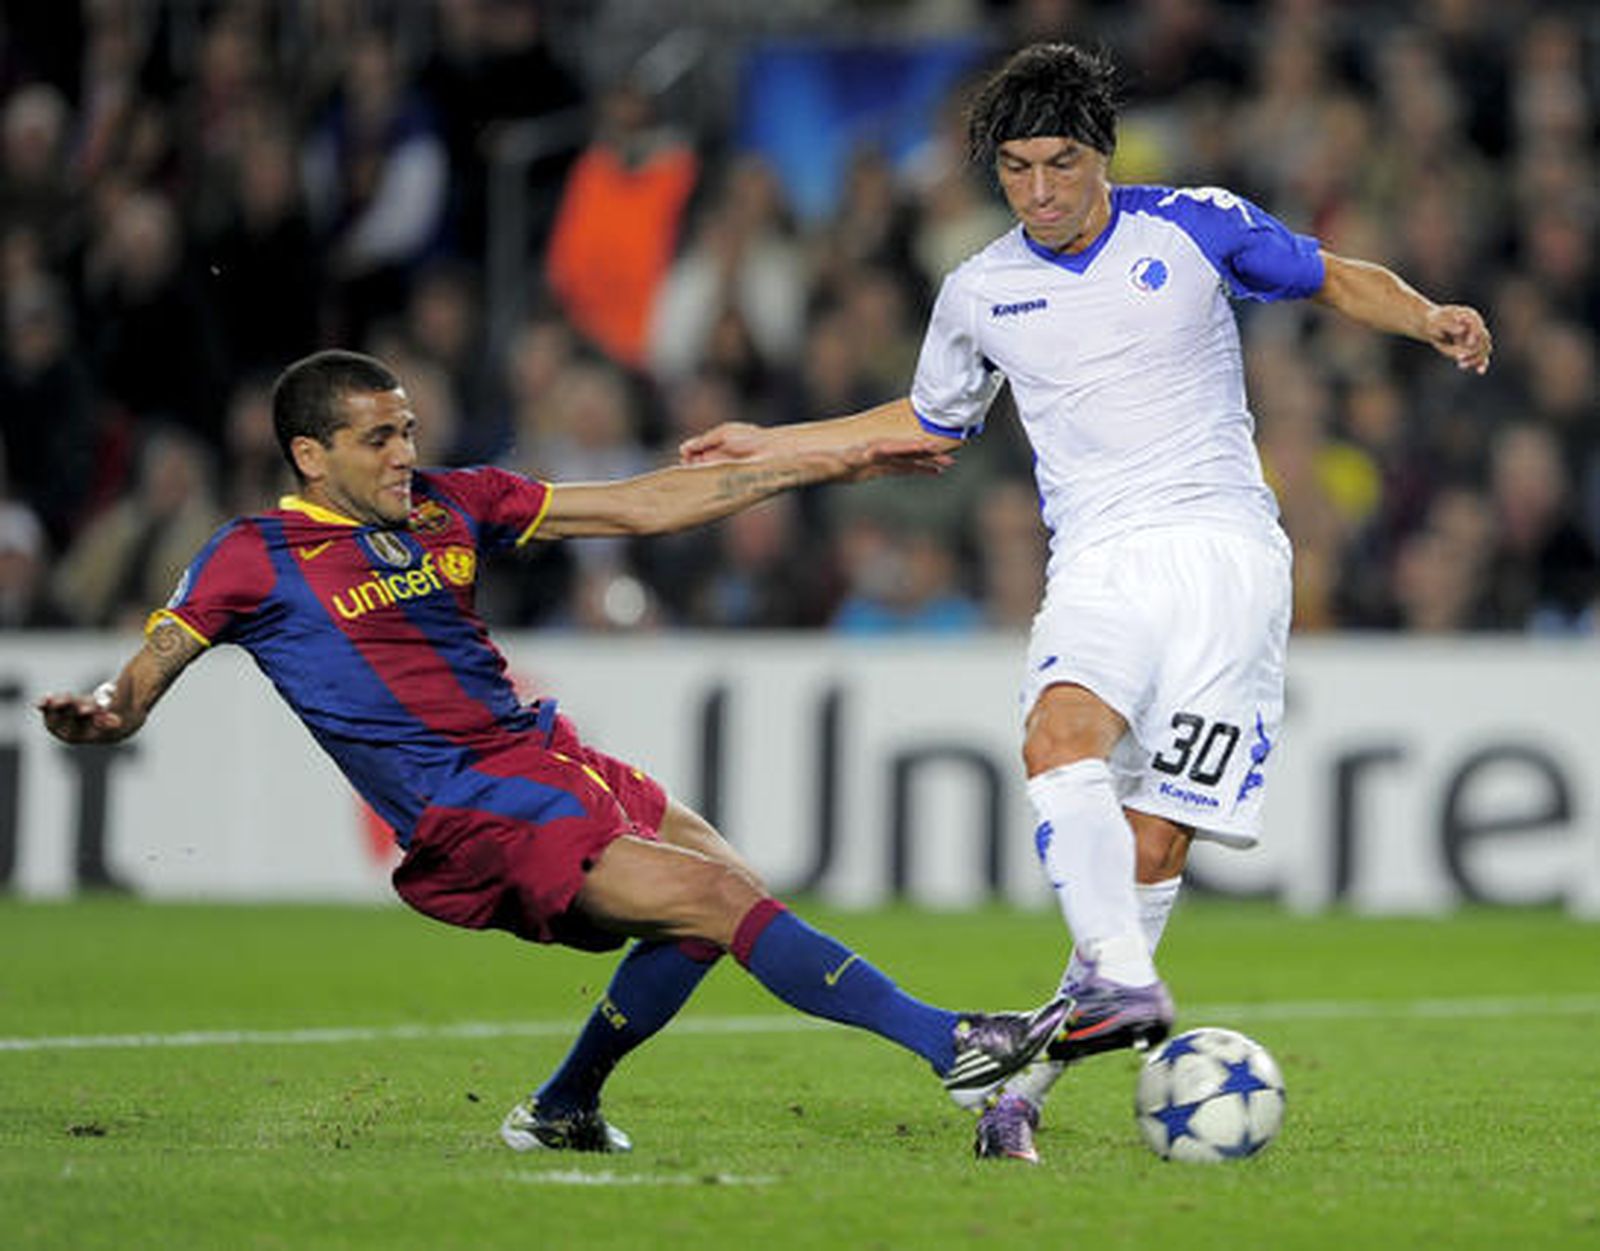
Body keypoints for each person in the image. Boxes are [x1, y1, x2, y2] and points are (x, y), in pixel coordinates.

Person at [681, 43, 1493, 1164]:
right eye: (1015, 169)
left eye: (1061, 163)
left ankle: (1030, 1088)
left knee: (1151, 847)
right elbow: (925, 427)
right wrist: (776, 442)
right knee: (1055, 738)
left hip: (1224, 557)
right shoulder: (979, 291)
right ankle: (1119, 981)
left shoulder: (1192, 225)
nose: (1040, 191)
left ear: (1101, 155)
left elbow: (1332, 273)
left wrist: (1430, 314)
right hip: (1098, 561)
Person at [36, 348, 1067, 1154]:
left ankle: (563, 1107)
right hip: (465, 802)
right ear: (312, 456)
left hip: (540, 753)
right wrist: (109, 708)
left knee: (726, 895)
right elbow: (149, 666)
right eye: (378, 439)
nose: (404, 454)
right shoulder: (252, 555)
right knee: (711, 902)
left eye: (407, 431)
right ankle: (952, 1044)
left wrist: (842, 457)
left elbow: (642, 503)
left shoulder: (453, 502)